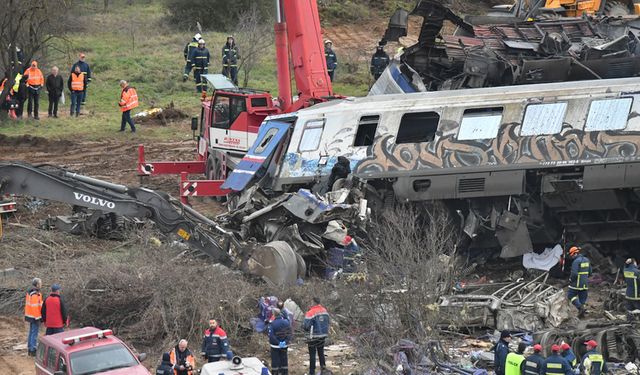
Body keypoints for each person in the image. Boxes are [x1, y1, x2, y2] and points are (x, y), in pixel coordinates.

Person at [303, 297, 330, 375]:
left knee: (312, 354)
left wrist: (303, 326)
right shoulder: (324, 311)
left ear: (314, 302)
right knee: (321, 352)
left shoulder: (310, 312)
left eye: (311, 302)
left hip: (313, 336)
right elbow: (327, 322)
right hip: (323, 336)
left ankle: (312, 372)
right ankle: (323, 369)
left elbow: (306, 326)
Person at [567, 246, 591, 317]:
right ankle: (581, 314)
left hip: (576, 284)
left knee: (570, 295)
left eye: (571, 255)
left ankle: (580, 308)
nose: (571, 257)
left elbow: (574, 273)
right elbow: (590, 272)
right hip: (585, 284)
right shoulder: (587, 260)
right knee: (582, 299)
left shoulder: (576, 261)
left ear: (575, 253)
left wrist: (570, 279)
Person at [268, 308, 292, 375]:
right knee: (284, 359)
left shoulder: (272, 324)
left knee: (275, 361)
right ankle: (284, 373)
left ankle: (275, 373)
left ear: (274, 314)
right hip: (284, 345)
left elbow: (271, 336)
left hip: (275, 346)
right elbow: (289, 333)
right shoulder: (286, 322)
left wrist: (278, 342)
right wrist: (285, 341)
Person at [24, 278, 43, 356]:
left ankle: (30, 348)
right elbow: (35, 307)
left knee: (31, 332)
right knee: (34, 333)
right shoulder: (35, 294)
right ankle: (33, 350)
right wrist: (38, 317)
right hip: (34, 316)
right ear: (37, 284)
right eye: (40, 283)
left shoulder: (30, 292)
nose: (41, 284)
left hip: (30, 315)